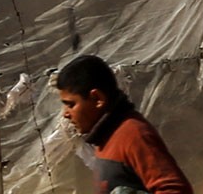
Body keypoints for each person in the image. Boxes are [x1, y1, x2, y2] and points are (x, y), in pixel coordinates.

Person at [56, 56, 191, 194]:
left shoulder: (133, 134)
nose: (65, 114)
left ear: (97, 99)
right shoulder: (105, 139)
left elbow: (175, 190)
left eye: (71, 105)